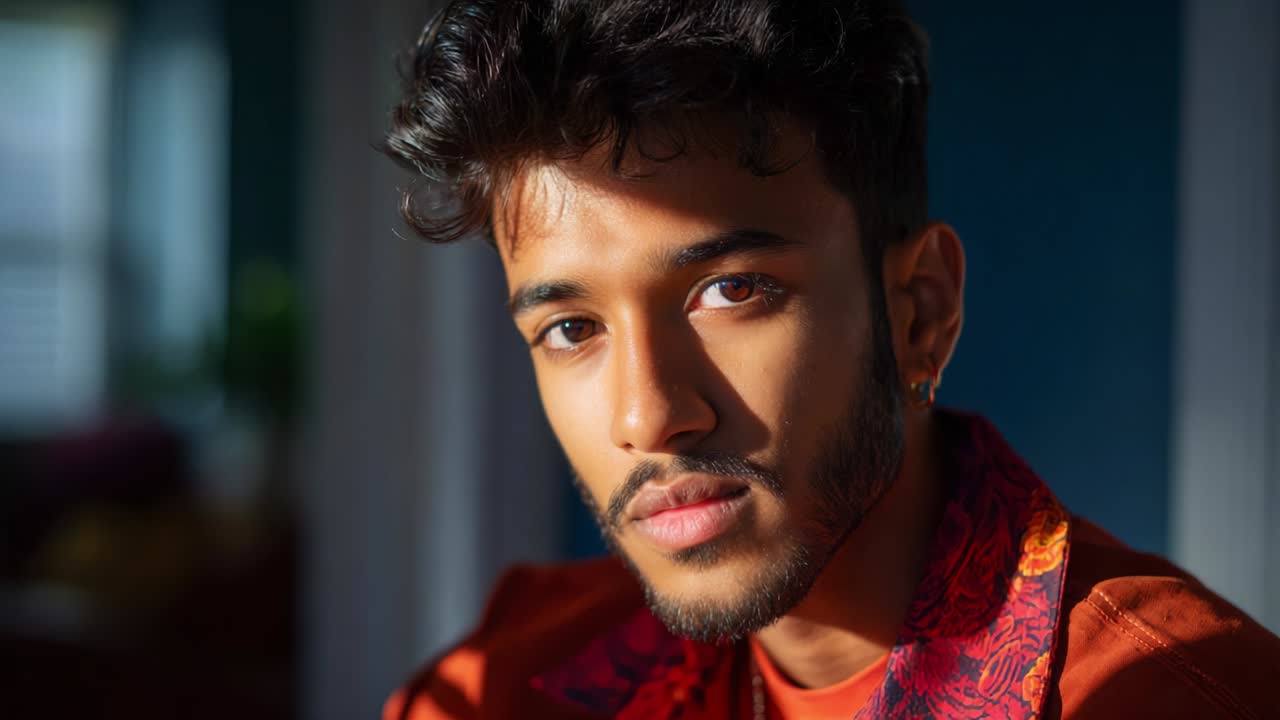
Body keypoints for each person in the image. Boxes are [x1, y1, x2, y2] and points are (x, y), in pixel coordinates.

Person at [379, 1, 1280, 717]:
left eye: (732, 290)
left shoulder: (1167, 694)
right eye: (572, 329)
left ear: (919, 313)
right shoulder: (511, 682)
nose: (647, 416)